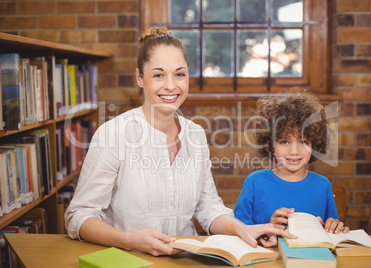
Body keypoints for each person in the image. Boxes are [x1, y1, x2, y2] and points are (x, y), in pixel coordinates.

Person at [64, 26, 296, 256]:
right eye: (158, 75)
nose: (171, 86)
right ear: (140, 78)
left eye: (179, 74)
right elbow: (79, 216)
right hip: (129, 258)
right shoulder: (113, 134)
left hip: (184, 260)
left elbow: (207, 207)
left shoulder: (195, 135)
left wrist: (242, 229)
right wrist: (129, 240)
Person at [234, 91, 350, 234]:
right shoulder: (254, 183)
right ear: (270, 144)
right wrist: (267, 229)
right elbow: (240, 232)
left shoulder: (323, 185)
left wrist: (334, 227)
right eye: (284, 141)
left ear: (314, 144)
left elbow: (332, 230)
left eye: (303, 141)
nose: (294, 151)